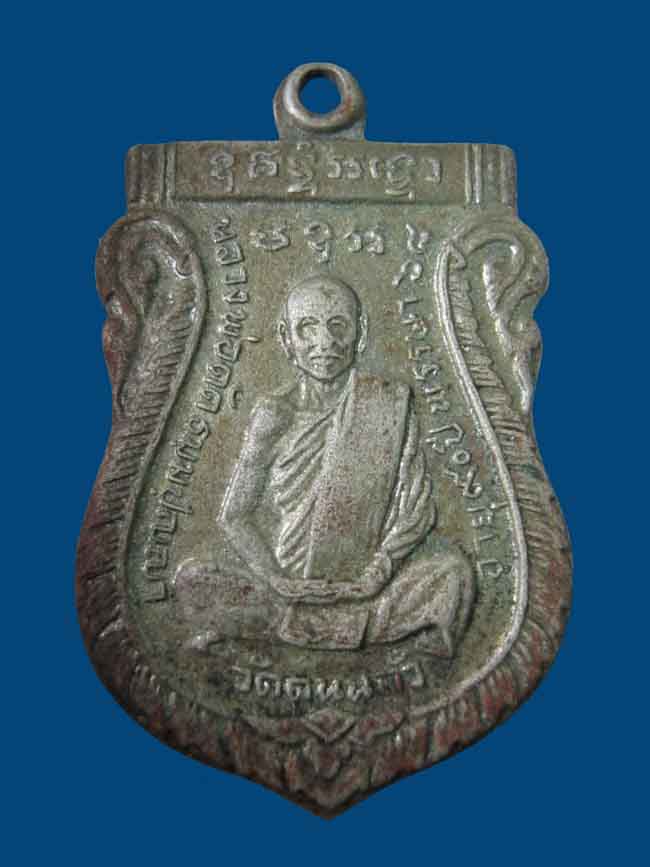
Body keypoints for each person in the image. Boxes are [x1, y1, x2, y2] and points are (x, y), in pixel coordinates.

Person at [175, 275, 474, 654]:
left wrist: (378, 572)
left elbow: (417, 510)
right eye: (307, 329)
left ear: (360, 333)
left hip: (366, 587)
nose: (324, 342)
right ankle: (354, 628)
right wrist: (275, 579)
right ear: (286, 339)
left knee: (453, 572)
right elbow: (234, 515)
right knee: (194, 579)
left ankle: (298, 627)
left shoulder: (388, 403)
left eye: (338, 326)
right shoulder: (274, 414)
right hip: (288, 587)